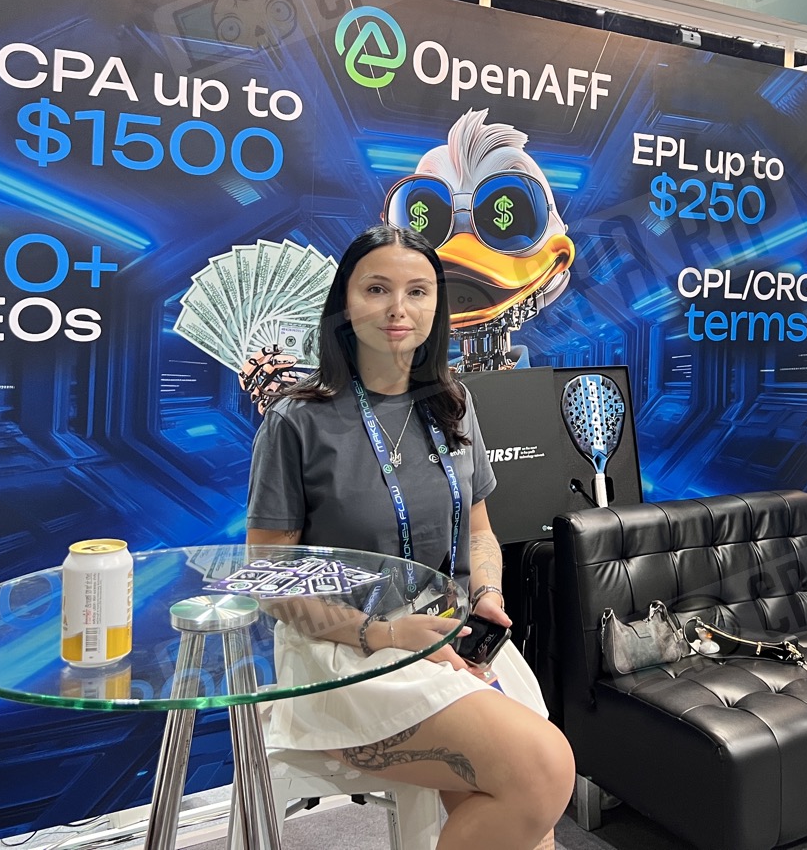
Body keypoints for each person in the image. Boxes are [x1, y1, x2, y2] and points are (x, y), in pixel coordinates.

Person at [245, 224, 574, 850]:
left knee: (527, 809)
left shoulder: (452, 403)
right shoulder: (297, 419)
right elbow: (271, 582)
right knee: (542, 771)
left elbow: (479, 531)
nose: (399, 308)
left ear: (436, 307)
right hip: (345, 655)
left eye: (418, 291)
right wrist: (387, 635)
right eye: (377, 289)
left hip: (451, 636)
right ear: (344, 304)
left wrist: (487, 593)